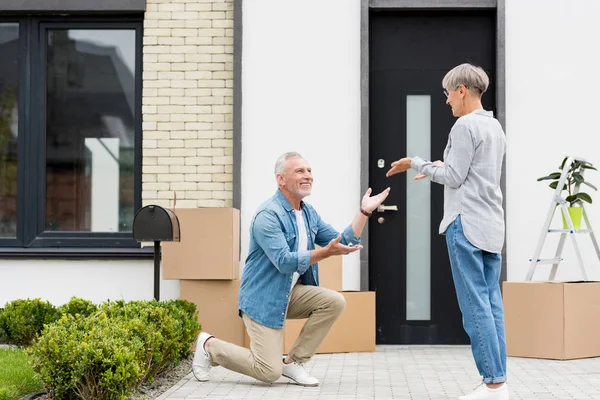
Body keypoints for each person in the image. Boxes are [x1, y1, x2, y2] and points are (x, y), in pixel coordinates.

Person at [192, 151, 390, 386]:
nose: (308, 176)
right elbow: (284, 261)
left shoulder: (307, 212)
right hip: (263, 299)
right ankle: (209, 346)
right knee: (268, 372)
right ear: (281, 179)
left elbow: (342, 240)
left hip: (289, 293)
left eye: (309, 171)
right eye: (300, 171)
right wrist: (326, 253)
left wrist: (364, 211)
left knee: (333, 301)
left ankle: (294, 362)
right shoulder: (268, 215)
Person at [386, 63, 508, 400]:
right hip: (491, 226)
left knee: (474, 308)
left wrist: (417, 162)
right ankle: (499, 381)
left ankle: (493, 385)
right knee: (491, 304)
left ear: (462, 91)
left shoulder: (464, 126)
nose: (446, 101)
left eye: (447, 94)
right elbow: (472, 172)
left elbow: (454, 178)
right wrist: (440, 166)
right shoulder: (494, 127)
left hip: (465, 224)